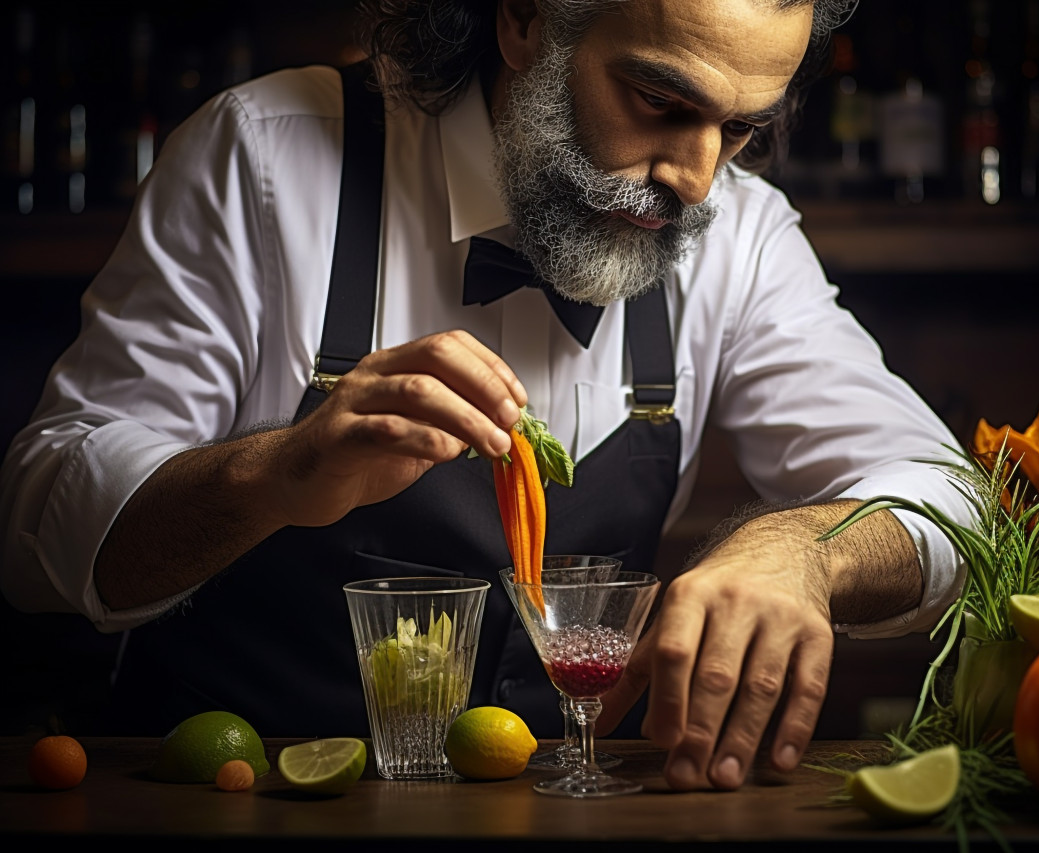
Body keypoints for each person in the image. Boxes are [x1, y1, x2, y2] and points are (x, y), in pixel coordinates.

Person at [0, 0, 969, 791]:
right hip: (235, 798)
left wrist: (805, 548)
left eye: (741, 127)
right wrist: (274, 471)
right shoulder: (263, 153)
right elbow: (39, 529)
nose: (695, 178)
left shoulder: (742, 235)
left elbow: (949, 498)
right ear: (522, 25)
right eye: (656, 99)